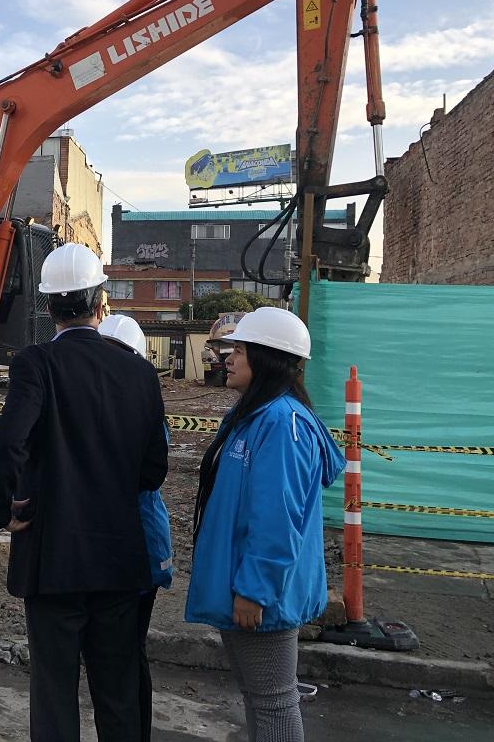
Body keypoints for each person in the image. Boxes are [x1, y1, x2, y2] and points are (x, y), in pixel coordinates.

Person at [0, 244, 169, 742]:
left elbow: (4, 445)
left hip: (53, 559)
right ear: (101, 305)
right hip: (121, 561)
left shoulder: (36, 364)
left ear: (47, 308)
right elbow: (154, 470)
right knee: (119, 694)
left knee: (55, 695)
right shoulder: (141, 372)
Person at [184, 307, 345, 742]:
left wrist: (255, 589)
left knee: (274, 702)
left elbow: (278, 517)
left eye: (239, 349)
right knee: (260, 698)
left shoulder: (281, 423)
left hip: (261, 593)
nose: (227, 357)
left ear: (268, 358)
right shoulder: (256, 416)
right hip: (246, 585)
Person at [98, 314, 174, 742]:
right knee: (125, 654)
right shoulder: (139, 405)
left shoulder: (136, 411)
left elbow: (149, 476)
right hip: (135, 545)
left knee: (126, 655)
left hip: (138, 548)